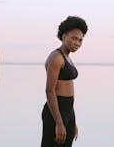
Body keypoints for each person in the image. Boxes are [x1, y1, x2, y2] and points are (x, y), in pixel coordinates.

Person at [41, 16, 88, 147]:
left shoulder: (67, 57)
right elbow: (50, 91)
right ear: (63, 37)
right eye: (73, 38)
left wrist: (72, 122)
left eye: (80, 40)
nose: (77, 43)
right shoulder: (57, 57)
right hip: (55, 113)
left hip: (67, 111)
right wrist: (59, 123)